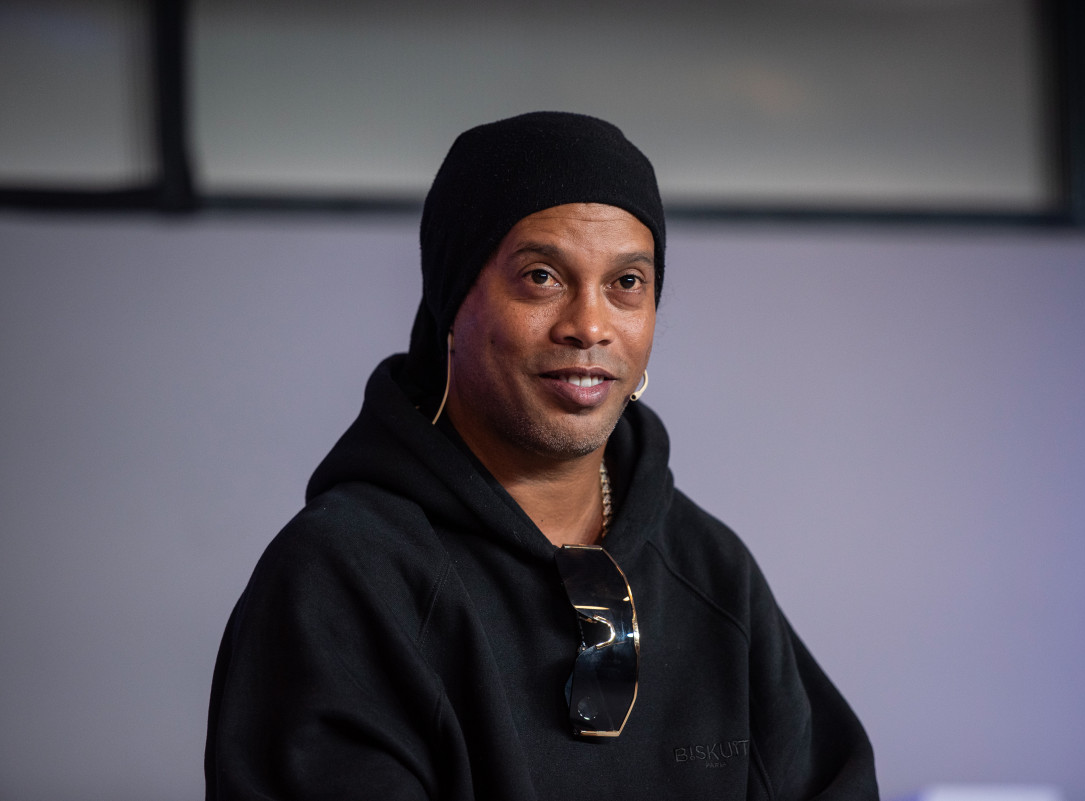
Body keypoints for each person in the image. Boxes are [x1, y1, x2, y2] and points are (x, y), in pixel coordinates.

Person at [204, 111, 878, 800]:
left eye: (626, 283)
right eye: (540, 276)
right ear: (451, 301)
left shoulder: (709, 571)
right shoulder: (342, 576)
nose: (588, 325)